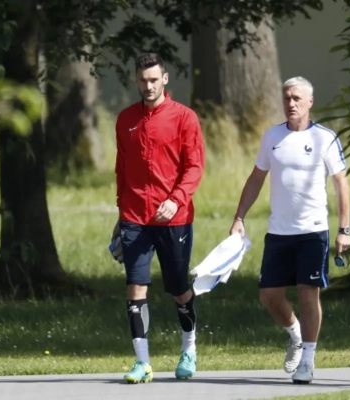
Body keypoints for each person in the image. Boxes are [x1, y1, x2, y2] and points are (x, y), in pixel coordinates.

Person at [229, 76, 350, 384]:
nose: (291, 103)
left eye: (297, 98)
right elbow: (256, 178)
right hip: (279, 232)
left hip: (313, 231)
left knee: (308, 292)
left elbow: (341, 183)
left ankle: (308, 358)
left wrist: (344, 229)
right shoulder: (272, 136)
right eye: (286, 98)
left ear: (310, 102)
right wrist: (239, 217)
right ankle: (296, 335)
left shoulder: (325, 138)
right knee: (268, 295)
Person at [112, 53, 205, 383]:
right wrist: (121, 213)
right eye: (143, 80)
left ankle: (189, 348)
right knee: (135, 288)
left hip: (173, 219)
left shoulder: (184, 118)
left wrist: (176, 200)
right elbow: (122, 169)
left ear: (165, 79)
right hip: (135, 217)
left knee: (178, 288)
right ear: (136, 81)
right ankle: (142, 362)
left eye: (154, 79)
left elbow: (194, 167)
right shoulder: (126, 119)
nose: (148, 86)